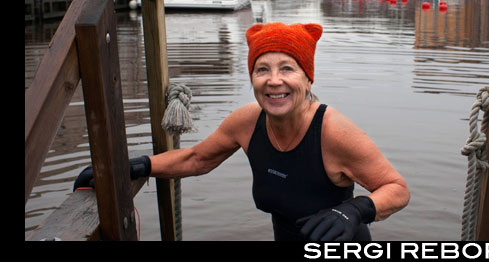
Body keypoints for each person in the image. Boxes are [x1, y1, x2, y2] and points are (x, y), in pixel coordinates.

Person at [75, 22, 410, 241]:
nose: (274, 80)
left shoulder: (333, 131)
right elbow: (196, 159)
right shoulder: (247, 121)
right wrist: (141, 165)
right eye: (262, 69)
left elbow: (396, 189)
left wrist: (352, 210)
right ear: (252, 78)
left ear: (308, 79)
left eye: (287, 68)